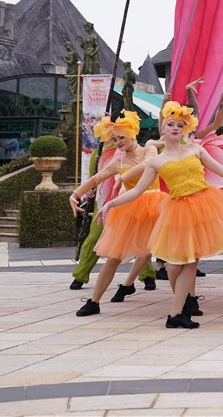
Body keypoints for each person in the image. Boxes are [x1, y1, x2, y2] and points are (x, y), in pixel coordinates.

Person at [100, 101, 223, 329]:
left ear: (184, 129)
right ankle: (179, 309)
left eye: (179, 125)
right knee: (174, 264)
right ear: (162, 129)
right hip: (177, 209)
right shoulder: (156, 161)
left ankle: (176, 313)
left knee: (190, 261)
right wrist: (109, 204)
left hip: (202, 203)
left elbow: (221, 170)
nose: (175, 128)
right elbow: (137, 190)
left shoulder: (196, 150)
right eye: (170, 124)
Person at [69, 112, 165, 317]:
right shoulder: (118, 163)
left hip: (157, 205)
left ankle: (185, 301)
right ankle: (94, 301)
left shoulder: (149, 149)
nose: (118, 142)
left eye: (121, 137)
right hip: (130, 209)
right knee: (114, 258)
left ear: (133, 134)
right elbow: (96, 178)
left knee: (156, 251)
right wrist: (75, 194)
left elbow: (148, 163)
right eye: (114, 138)